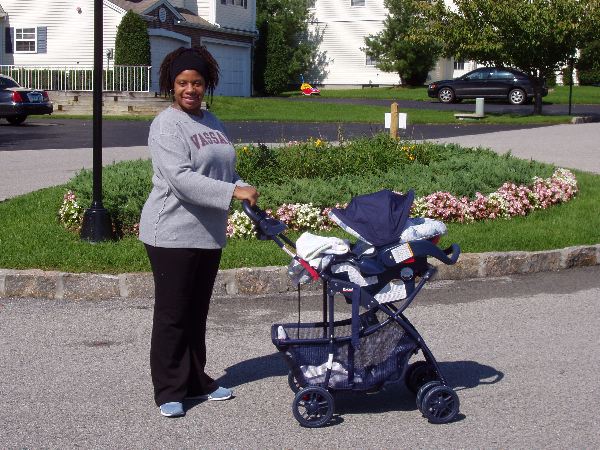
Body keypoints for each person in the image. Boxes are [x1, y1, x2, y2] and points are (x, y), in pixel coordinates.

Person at [138, 46, 259, 418]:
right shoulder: (166, 125)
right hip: (171, 232)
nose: (190, 89)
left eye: (197, 83)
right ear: (171, 86)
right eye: (182, 83)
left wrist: (242, 185)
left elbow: (222, 169)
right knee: (173, 314)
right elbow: (181, 180)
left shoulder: (212, 121)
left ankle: (195, 380)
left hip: (207, 232)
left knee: (196, 312)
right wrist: (231, 192)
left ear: (207, 85)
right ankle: (169, 390)